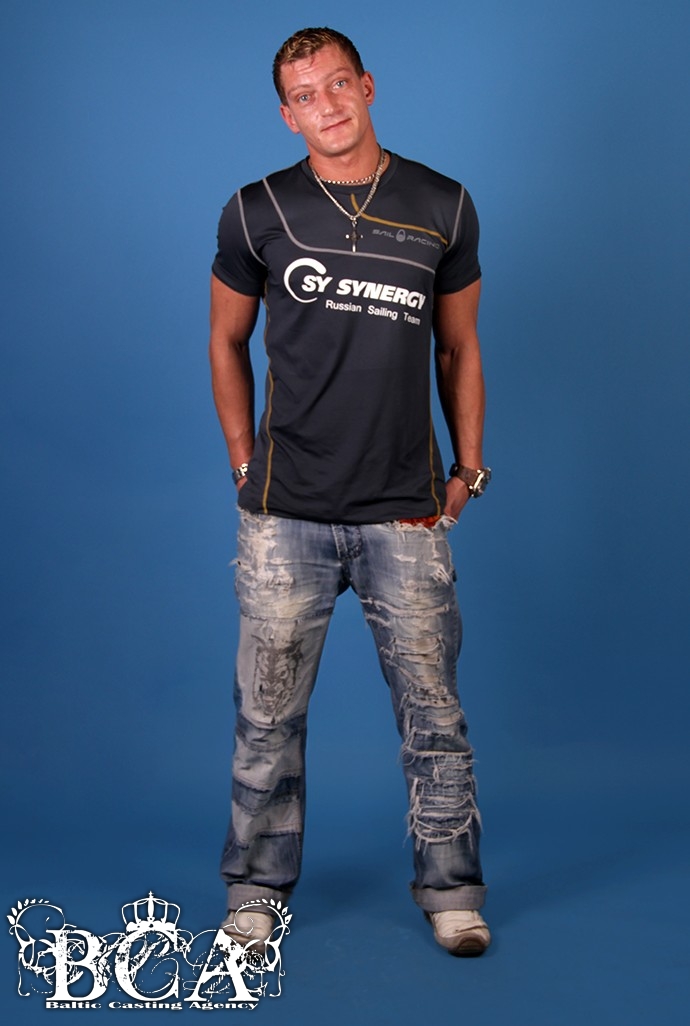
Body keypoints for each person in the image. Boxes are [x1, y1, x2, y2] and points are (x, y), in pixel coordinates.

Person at [209, 27, 492, 957]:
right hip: (284, 516)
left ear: (366, 86)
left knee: (435, 719)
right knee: (267, 718)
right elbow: (225, 342)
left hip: (404, 512)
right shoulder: (256, 210)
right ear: (286, 114)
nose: (325, 104)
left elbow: (459, 347)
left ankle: (452, 891)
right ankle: (255, 891)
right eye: (305, 94)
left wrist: (467, 470)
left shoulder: (443, 203)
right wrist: (245, 464)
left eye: (337, 84)